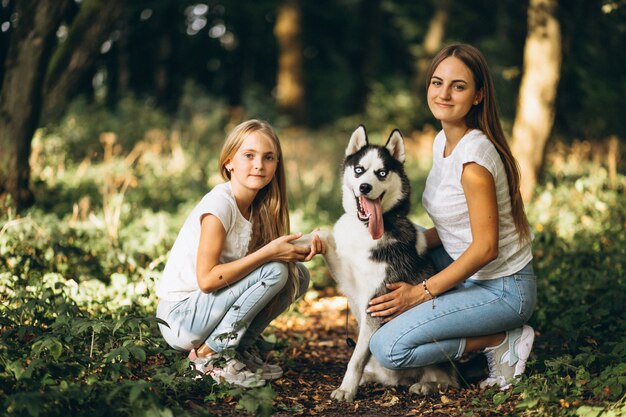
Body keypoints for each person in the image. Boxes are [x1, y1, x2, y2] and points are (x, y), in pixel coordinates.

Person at [366, 44, 536, 390]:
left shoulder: (474, 160)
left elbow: (486, 247)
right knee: (381, 273)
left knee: (388, 348)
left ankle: (497, 339)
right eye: (437, 82)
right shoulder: (443, 140)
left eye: (458, 86)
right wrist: (400, 245)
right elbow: (454, 223)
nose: (443, 93)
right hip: (463, 267)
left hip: (503, 289)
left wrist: (420, 293)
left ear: (478, 96)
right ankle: (465, 331)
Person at [156, 119, 324, 388]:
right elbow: (208, 280)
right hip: (180, 318)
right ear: (229, 162)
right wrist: (269, 253)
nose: (259, 164)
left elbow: (253, 268)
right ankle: (210, 356)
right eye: (249, 155)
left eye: (268, 157)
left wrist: (301, 245)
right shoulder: (220, 205)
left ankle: (238, 350)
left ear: (277, 164)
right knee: (275, 269)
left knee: (297, 275)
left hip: (204, 309)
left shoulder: (259, 206)